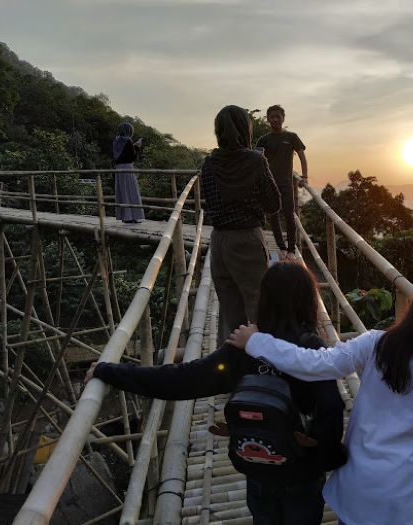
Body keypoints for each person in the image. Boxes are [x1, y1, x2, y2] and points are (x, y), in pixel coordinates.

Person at [86, 261, 346, 525]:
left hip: (258, 463)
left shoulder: (244, 346)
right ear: (308, 299)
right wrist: (325, 458)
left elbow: (181, 380)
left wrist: (109, 371)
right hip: (300, 473)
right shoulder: (311, 349)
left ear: (264, 299)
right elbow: (332, 407)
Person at [228, 272, 413, 525]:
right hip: (403, 496)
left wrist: (257, 342)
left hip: (359, 487)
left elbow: (314, 363)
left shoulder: (377, 344)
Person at [202, 105, 281, 344]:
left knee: (230, 312)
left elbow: (210, 200)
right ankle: (265, 364)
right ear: (245, 130)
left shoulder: (209, 164)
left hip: (219, 243)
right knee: (260, 309)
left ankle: (234, 368)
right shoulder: (256, 161)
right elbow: (273, 203)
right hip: (247, 240)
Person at [255, 105, 307, 260]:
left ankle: (291, 249)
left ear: (283, 118)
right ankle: (282, 247)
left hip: (286, 183)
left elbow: (302, 155)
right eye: (272, 117)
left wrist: (304, 177)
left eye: (278, 116)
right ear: (268, 119)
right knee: (273, 215)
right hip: (269, 183)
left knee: (289, 215)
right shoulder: (263, 140)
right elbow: (256, 159)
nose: (275, 120)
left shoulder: (291, 137)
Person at [112, 122, 145, 223]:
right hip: (128, 168)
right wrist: (138, 146)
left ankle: (126, 217)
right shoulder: (128, 140)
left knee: (123, 192)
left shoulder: (116, 141)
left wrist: (133, 146)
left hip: (119, 169)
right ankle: (133, 216)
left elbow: (121, 155)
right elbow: (131, 157)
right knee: (131, 191)